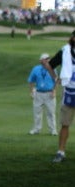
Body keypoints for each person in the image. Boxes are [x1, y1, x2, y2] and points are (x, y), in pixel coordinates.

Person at [43, 30, 75, 163]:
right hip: (70, 91)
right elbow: (49, 65)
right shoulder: (65, 51)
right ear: (73, 38)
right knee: (65, 124)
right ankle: (60, 152)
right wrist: (56, 78)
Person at [27, 53, 57, 136]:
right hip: (38, 93)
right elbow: (31, 80)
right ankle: (37, 129)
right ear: (41, 60)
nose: (48, 60)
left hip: (49, 93)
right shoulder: (36, 69)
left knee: (51, 112)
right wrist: (31, 91)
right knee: (37, 112)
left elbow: (56, 81)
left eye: (48, 59)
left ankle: (53, 130)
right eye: (46, 59)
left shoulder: (52, 68)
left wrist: (54, 91)